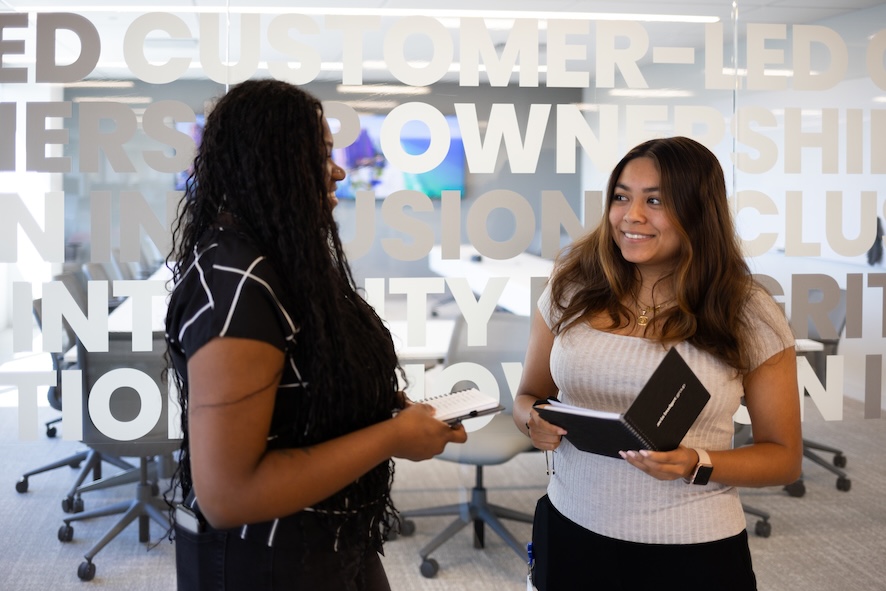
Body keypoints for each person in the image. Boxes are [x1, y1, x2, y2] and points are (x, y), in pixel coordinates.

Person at [164, 79, 467, 590]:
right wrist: (392, 436)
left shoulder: (282, 257)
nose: (339, 169)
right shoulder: (237, 280)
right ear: (273, 162)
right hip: (269, 562)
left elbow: (302, 384)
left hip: (331, 538)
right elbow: (228, 496)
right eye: (321, 155)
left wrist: (378, 403)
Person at [512, 136, 802, 590]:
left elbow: (784, 459)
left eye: (655, 201)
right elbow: (528, 396)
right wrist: (532, 419)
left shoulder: (745, 310)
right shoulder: (571, 288)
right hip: (570, 526)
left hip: (690, 548)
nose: (632, 215)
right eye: (622, 197)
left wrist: (694, 462)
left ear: (696, 211)